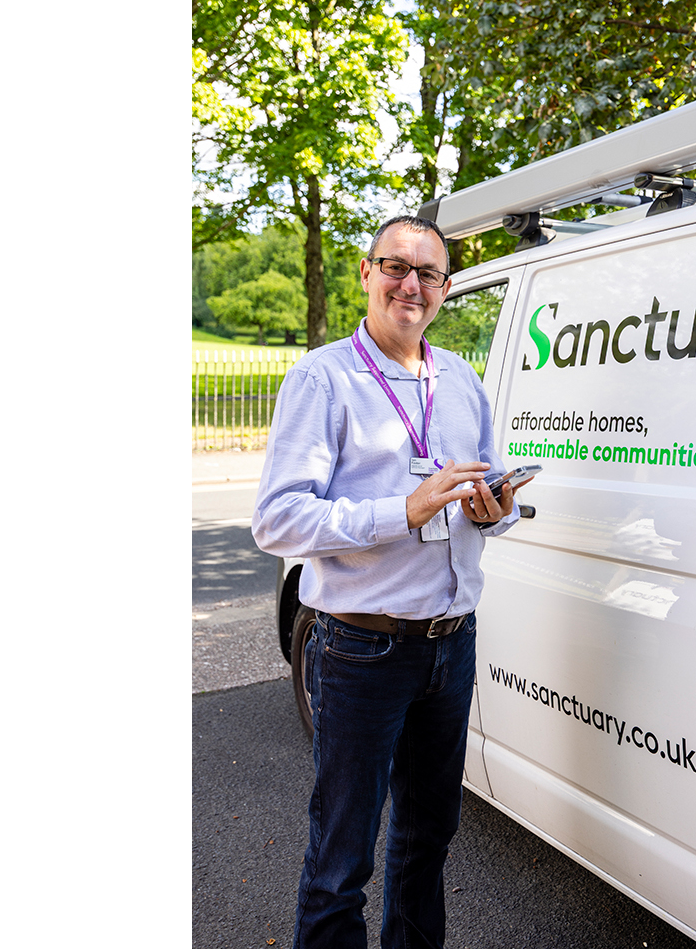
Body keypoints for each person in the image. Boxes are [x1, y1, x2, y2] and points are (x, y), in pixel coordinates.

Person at [251, 214, 530, 949]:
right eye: (395, 267)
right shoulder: (323, 377)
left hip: (449, 644)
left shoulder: (462, 380)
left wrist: (497, 509)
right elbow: (277, 522)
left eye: (428, 273)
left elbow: (482, 503)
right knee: (342, 857)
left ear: (445, 289)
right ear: (367, 274)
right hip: (359, 651)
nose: (411, 284)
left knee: (427, 841)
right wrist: (399, 512)